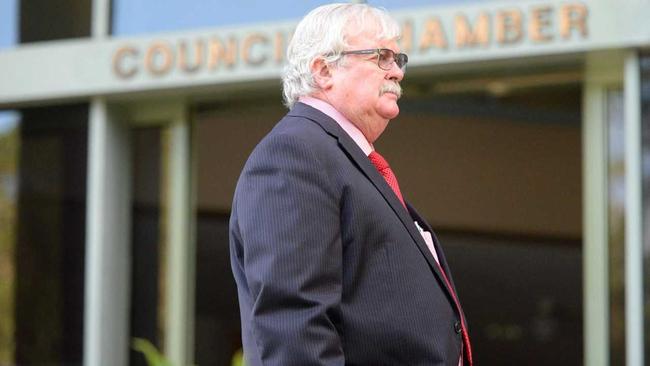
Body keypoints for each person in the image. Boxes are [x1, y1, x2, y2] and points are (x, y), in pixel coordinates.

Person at [229, 3, 472, 365]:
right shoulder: (294, 154)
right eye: (382, 57)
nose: (397, 73)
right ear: (324, 69)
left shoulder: (338, 158)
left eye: (398, 59)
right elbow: (294, 324)